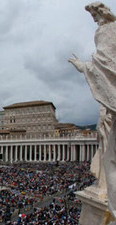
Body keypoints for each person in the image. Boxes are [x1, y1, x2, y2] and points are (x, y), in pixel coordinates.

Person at [69, 1, 116, 220]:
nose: (94, 21)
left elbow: (104, 66)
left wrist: (84, 67)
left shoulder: (107, 31)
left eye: (95, 16)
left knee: (110, 161)